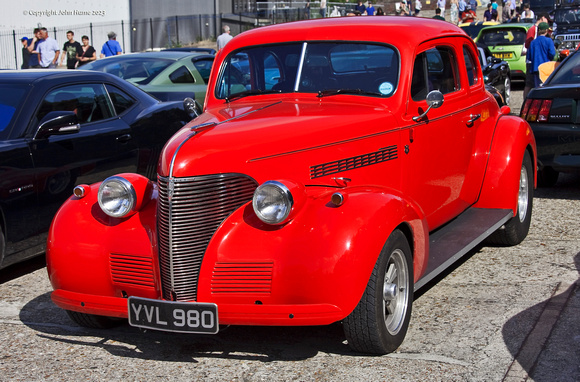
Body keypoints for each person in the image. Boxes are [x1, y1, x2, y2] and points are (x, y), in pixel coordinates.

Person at [523, 14, 551, 98]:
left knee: (537, 86)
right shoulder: (532, 29)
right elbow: (527, 45)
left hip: (535, 64)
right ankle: (526, 102)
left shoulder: (535, 39)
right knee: (530, 84)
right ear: (542, 18)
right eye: (546, 19)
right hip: (536, 64)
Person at [528, 22, 556, 87]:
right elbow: (552, 53)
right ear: (546, 31)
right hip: (546, 68)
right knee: (546, 87)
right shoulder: (549, 41)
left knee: (537, 87)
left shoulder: (533, 42)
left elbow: (529, 57)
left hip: (536, 68)